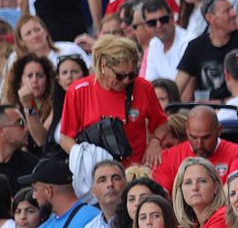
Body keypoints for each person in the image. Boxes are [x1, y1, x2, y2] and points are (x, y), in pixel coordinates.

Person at [58, 34, 169, 168]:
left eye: (132, 74)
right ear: (104, 66)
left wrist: (155, 142)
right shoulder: (79, 91)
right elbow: (65, 138)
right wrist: (85, 158)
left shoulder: (143, 87)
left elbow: (162, 123)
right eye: (120, 76)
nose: (127, 81)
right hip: (97, 173)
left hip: (135, 170)